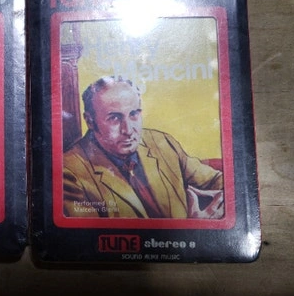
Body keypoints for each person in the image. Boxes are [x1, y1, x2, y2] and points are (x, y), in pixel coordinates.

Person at [63, 76, 224, 219]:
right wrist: (192, 227)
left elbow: (217, 181)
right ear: (90, 121)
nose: (128, 130)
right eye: (114, 118)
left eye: (133, 114)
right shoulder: (70, 173)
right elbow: (90, 239)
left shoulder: (161, 142)